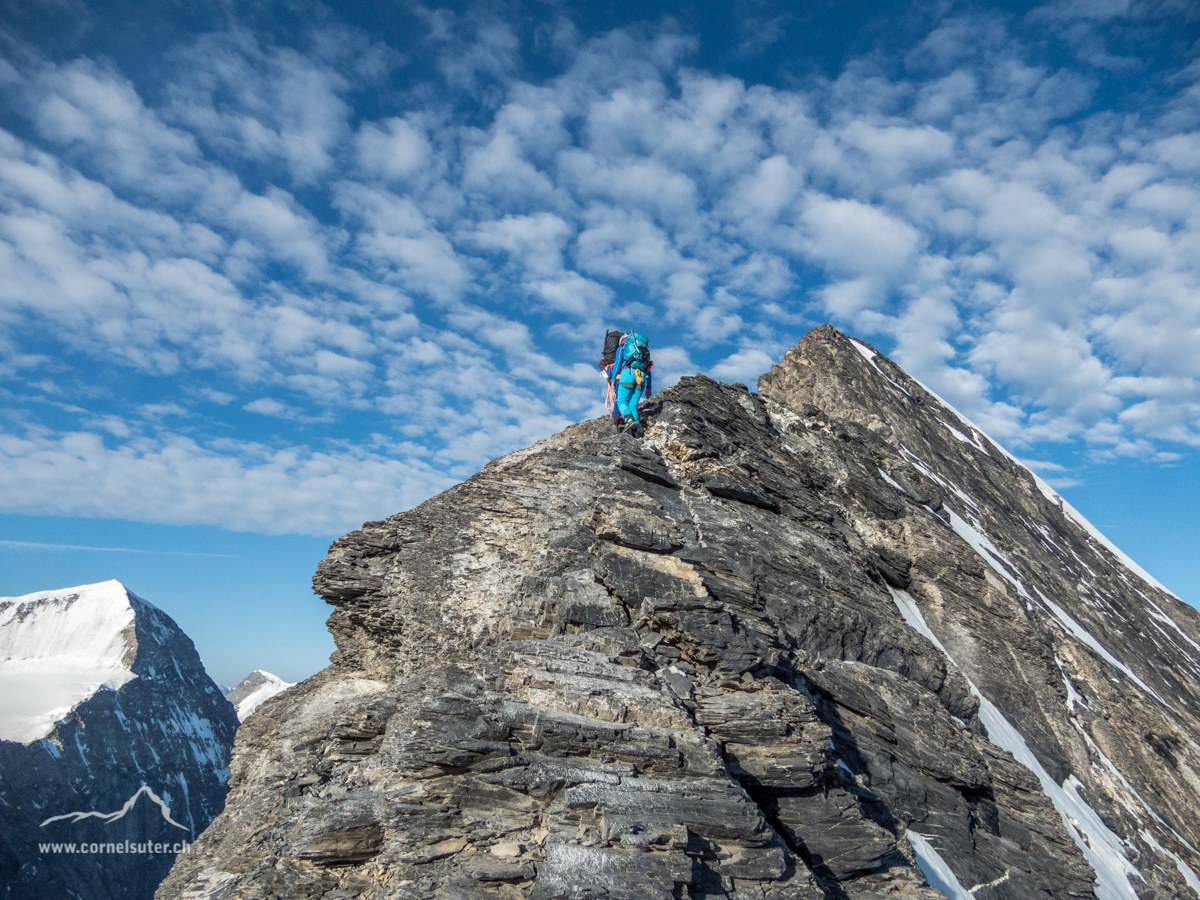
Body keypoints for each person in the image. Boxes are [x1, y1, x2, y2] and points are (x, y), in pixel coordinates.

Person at [610, 332, 653, 435]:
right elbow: (649, 369)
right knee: (633, 405)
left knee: (621, 401)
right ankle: (637, 429)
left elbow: (617, 363)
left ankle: (629, 421)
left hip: (628, 373)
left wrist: (613, 379)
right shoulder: (644, 352)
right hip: (641, 377)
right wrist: (649, 387)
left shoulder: (623, 347)